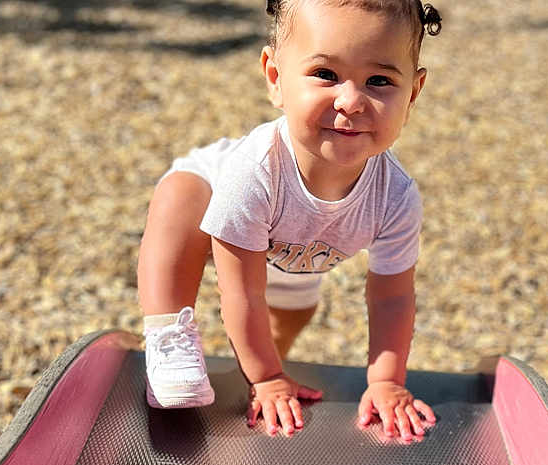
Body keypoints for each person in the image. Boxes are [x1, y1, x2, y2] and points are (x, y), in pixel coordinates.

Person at [137, 0, 442, 441]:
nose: (351, 101)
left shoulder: (395, 195)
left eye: (379, 81)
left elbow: (392, 297)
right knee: (179, 197)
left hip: (294, 250)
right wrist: (267, 379)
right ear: (276, 78)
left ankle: (253, 364)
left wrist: (387, 382)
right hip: (218, 210)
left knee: (291, 315)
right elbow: (241, 291)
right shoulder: (253, 172)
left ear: (412, 93)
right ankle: (168, 335)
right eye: (325, 74)